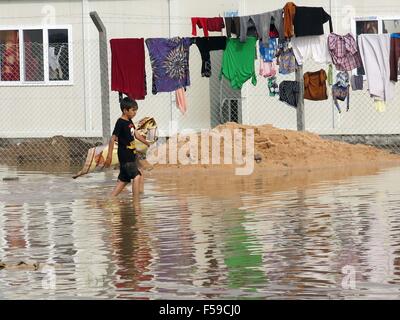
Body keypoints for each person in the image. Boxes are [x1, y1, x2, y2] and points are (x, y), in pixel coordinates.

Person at [105, 97, 150, 197]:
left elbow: (136, 134)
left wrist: (146, 143)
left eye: (136, 110)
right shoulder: (120, 122)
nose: (135, 113)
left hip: (131, 155)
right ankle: (136, 202)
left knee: (123, 181)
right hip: (125, 156)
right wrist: (109, 157)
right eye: (133, 110)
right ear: (125, 110)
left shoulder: (129, 121)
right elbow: (112, 139)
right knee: (137, 176)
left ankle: (108, 200)